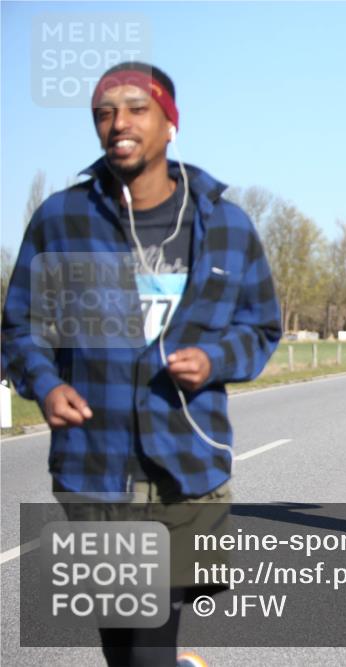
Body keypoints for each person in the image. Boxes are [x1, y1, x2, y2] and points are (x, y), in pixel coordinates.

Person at [0, 62, 282, 665]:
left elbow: (261, 327)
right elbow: (21, 327)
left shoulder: (224, 224)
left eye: (135, 108)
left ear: (169, 124)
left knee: (150, 641)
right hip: (93, 463)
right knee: (122, 642)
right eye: (104, 112)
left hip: (187, 463)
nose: (117, 122)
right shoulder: (62, 218)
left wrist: (213, 359)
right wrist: (44, 385)